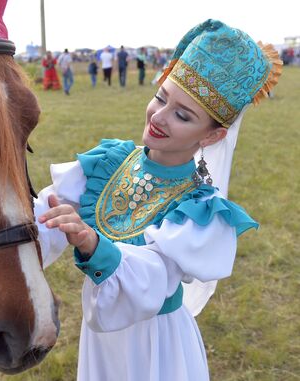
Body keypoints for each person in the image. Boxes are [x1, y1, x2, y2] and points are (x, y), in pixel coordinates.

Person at [34, 19, 281, 380]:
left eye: (183, 115)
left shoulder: (200, 208)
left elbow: (155, 273)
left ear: (212, 136)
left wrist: (93, 243)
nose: (159, 117)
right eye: (161, 97)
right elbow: (47, 214)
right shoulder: (109, 163)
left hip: (157, 343)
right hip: (102, 340)